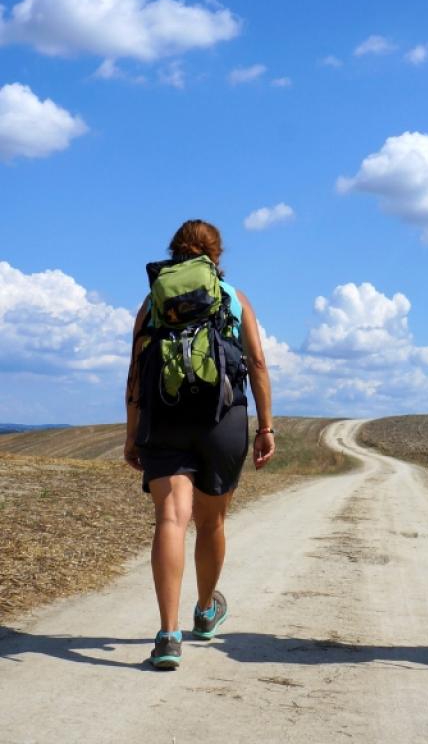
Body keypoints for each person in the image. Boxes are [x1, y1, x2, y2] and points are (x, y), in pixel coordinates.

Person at [123, 219, 276, 669]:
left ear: (173, 253)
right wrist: (266, 426)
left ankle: (168, 635)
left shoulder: (152, 302)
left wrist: (132, 433)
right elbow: (259, 364)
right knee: (211, 524)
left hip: (164, 418)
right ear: (217, 256)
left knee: (171, 519)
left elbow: (135, 373)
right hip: (221, 419)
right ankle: (206, 612)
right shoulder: (234, 299)